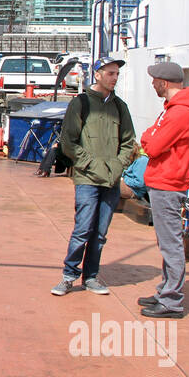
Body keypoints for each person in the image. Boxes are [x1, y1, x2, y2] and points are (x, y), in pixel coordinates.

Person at [53, 56, 136, 296]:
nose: (115, 78)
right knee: (82, 229)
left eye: (117, 74)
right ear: (97, 75)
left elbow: (129, 141)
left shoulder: (120, 107)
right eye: (110, 73)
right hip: (87, 178)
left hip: (110, 179)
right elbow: (69, 141)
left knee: (99, 234)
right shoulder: (81, 104)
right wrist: (90, 163)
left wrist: (117, 165)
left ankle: (91, 277)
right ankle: (69, 275)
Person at [137, 61, 189, 319]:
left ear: (164, 83)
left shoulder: (179, 113)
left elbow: (151, 146)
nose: (152, 84)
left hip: (168, 183)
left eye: (155, 80)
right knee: (167, 242)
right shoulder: (174, 110)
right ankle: (165, 290)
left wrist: (150, 138)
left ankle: (171, 300)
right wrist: (150, 137)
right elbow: (150, 136)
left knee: (171, 244)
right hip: (164, 182)